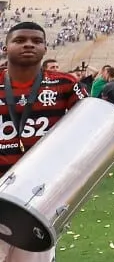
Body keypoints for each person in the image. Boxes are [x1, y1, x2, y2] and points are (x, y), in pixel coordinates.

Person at [0, 23, 84, 262]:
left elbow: (91, 123)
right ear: (6, 47)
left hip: (40, 195)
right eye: (20, 40)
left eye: (37, 41)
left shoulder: (65, 84)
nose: (29, 45)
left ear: (46, 48)